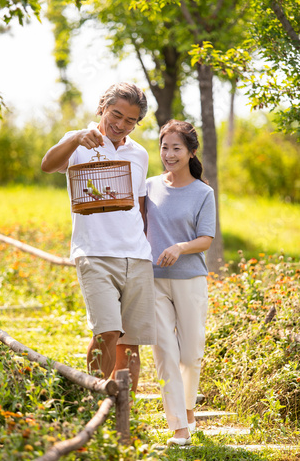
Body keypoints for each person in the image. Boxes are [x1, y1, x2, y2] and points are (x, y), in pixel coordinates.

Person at [41, 82, 156, 392]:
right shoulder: (77, 141)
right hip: (95, 253)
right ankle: (93, 404)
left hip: (137, 256)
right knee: (106, 332)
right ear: (102, 109)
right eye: (115, 115)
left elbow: (141, 207)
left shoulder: (140, 154)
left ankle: (122, 423)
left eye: (130, 120)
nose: (120, 125)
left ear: (136, 123)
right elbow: (48, 165)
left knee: (130, 345)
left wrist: (147, 247)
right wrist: (78, 137)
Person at [145, 119, 216, 446]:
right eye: (164, 147)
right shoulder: (149, 186)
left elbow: (206, 239)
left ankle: (188, 407)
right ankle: (179, 427)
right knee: (165, 353)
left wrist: (180, 247)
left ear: (190, 152)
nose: (169, 154)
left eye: (176, 148)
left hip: (190, 278)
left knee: (190, 353)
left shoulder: (203, 192)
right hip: (154, 280)